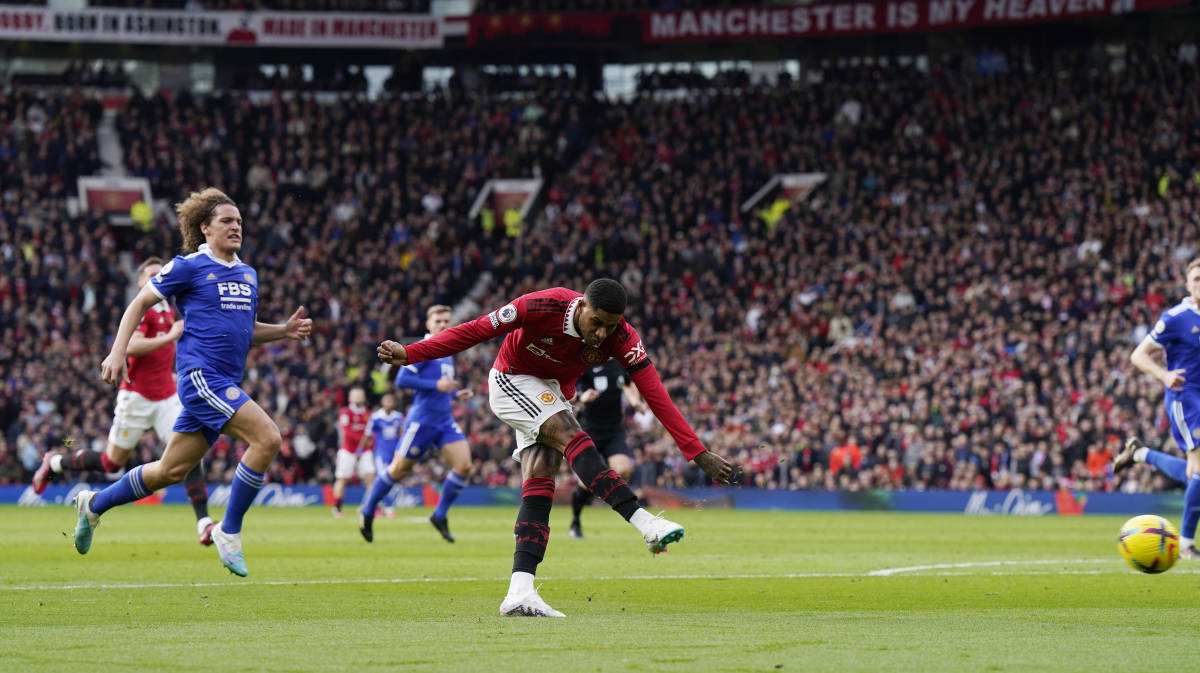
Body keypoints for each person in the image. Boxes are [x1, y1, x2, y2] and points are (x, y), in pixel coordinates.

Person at [378, 279, 735, 617]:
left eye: (610, 326)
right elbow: (475, 330)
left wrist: (696, 451)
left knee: (540, 484)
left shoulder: (622, 337)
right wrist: (412, 354)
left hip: (553, 391)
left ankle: (520, 591)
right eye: (596, 322)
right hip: (511, 379)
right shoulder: (541, 305)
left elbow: (655, 393)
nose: (601, 334)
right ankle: (644, 523)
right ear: (581, 305)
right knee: (572, 436)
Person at [84, 187, 312, 577]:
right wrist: (118, 351)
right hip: (201, 378)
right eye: (226, 221)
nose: (235, 227)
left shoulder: (247, 273)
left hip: (222, 382)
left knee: (169, 471)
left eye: (239, 221)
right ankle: (229, 531)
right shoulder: (188, 266)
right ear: (205, 228)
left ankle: (93, 505)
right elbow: (138, 303)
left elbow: (244, 329)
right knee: (268, 437)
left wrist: (284, 331)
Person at [33, 257, 217, 545]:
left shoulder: (169, 307)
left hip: (167, 397)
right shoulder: (145, 309)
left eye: (162, 273)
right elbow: (130, 345)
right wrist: (169, 337)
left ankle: (204, 523)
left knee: (190, 454)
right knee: (111, 463)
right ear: (141, 281)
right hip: (137, 397)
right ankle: (55, 461)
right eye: (153, 274)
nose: (160, 277)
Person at [360, 305, 474, 544]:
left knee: (464, 465)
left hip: (444, 420)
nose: (443, 324)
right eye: (438, 320)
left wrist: (454, 395)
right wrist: (437, 386)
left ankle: (439, 515)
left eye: (447, 320)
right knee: (398, 470)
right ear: (428, 324)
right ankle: (368, 510)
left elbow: (441, 386)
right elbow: (402, 379)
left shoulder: (449, 350)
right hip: (421, 422)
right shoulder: (424, 349)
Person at [1117, 258, 1200, 560]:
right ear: (1187, 285)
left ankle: (1141, 454)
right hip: (1185, 398)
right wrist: (1164, 375)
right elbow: (1138, 355)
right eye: (1196, 279)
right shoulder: (1176, 317)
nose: (1199, 283)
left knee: (1196, 474)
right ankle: (1188, 545)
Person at [568, 357, 647, 540]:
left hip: (614, 430)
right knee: (585, 483)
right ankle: (575, 521)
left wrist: (635, 401)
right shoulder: (583, 363)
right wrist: (581, 397)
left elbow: (627, 384)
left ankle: (600, 490)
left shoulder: (617, 364)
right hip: (589, 430)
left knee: (624, 469)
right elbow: (566, 390)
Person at [356, 392, 404, 537]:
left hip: (394, 454)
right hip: (381, 455)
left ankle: (372, 506)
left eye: (391, 400)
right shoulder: (376, 417)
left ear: (394, 403)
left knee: (390, 482)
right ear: (383, 403)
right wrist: (359, 450)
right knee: (384, 478)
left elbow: (402, 434)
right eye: (386, 400)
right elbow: (367, 434)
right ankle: (388, 508)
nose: (389, 402)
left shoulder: (398, 417)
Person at [331, 387, 372, 519]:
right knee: (342, 479)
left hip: (365, 451)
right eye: (355, 395)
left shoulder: (368, 413)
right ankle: (337, 507)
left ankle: (369, 507)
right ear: (350, 398)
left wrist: (364, 446)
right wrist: (362, 441)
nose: (358, 397)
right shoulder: (345, 412)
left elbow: (371, 433)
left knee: (371, 478)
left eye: (360, 394)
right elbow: (347, 432)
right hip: (347, 450)